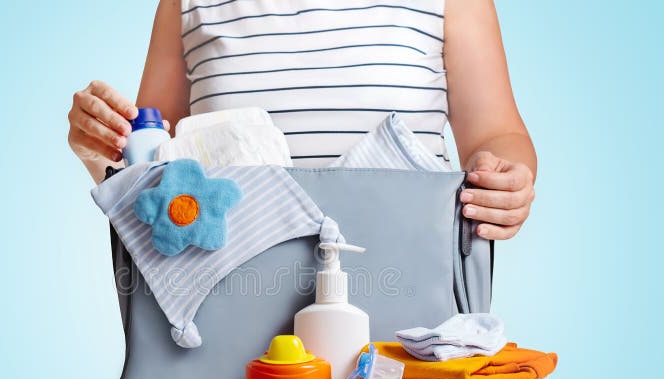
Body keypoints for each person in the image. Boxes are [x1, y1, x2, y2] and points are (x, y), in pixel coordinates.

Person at [68, 0, 536, 240]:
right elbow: (153, 172)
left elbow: (498, 134)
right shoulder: (188, 3)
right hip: (229, 295)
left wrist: (506, 179)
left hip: (409, 282)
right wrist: (103, 148)